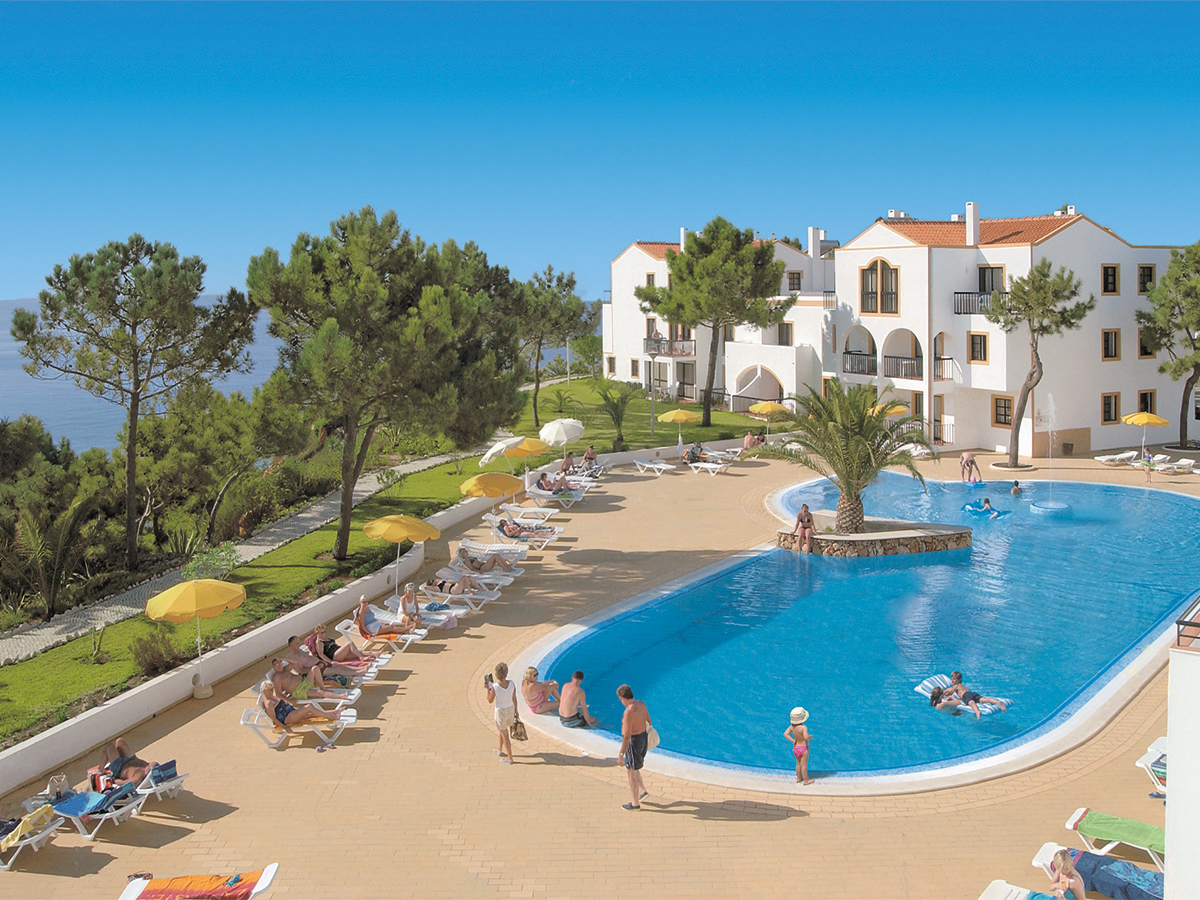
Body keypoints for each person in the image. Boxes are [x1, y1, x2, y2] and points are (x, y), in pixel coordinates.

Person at [259, 680, 341, 731]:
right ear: (265, 691)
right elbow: (274, 719)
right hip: (287, 718)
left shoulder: (271, 696)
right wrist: (286, 728)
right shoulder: (269, 703)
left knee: (311, 713)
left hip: (290, 712)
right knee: (308, 707)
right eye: (271, 689)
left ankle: (332, 712)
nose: (273, 690)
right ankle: (331, 716)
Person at [932, 671, 1008, 720]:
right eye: (952, 679)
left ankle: (977, 711)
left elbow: (950, 691)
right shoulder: (962, 686)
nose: (952, 681)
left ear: (959, 680)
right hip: (972, 693)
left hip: (966, 695)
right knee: (984, 700)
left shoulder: (956, 686)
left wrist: (944, 692)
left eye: (954, 679)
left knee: (970, 702)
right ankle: (998, 703)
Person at [270, 657, 349, 701]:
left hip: (304, 683)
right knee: (319, 693)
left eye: (280, 663)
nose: (279, 665)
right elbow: (278, 693)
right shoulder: (277, 678)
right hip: (299, 691)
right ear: (273, 667)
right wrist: (289, 700)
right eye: (277, 665)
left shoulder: (285, 669)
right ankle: (341, 696)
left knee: (315, 668)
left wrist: (284, 658)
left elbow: (295, 662)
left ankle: (323, 687)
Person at [286, 633, 360, 679]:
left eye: (298, 642)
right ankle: (359, 673)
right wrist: (317, 668)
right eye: (296, 643)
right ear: (291, 645)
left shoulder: (299, 650)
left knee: (340, 666)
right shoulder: (292, 657)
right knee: (338, 670)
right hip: (318, 669)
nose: (299, 644)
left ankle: (359, 669)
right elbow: (302, 671)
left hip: (320, 663)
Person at [485, 661, 517, 764]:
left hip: (501, 711)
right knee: (502, 730)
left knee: (505, 734)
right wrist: (516, 711)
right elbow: (514, 698)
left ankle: (510, 757)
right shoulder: (512, 683)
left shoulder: (495, 687)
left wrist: (487, 690)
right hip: (510, 709)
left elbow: (490, 700)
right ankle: (499, 749)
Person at [305, 622, 377, 668]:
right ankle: (362, 658)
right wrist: (331, 662)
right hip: (335, 656)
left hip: (338, 651)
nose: (323, 634)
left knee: (357, 652)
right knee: (350, 644)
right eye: (321, 633)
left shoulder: (325, 638)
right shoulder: (319, 642)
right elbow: (321, 655)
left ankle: (374, 654)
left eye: (324, 632)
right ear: (317, 633)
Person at [782, 707, 814, 785]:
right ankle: (805, 780)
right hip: (803, 748)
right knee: (804, 765)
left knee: (798, 764)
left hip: (796, 747)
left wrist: (793, 740)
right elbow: (805, 737)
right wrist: (810, 737)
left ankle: (799, 778)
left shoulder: (792, 727)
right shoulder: (803, 728)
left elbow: (785, 734)